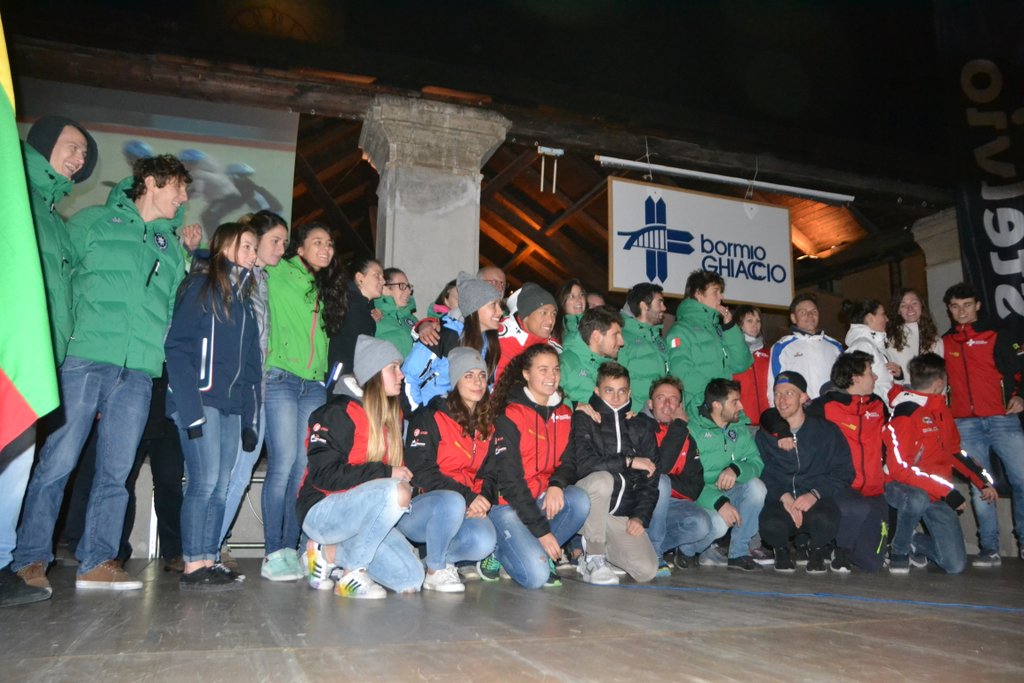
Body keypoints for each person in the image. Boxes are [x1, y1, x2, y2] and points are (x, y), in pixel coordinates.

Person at [14, 154, 191, 592]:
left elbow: (169, 312)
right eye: (178, 187)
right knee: (58, 463)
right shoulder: (92, 222)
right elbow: (56, 278)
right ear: (151, 183)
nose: (184, 198)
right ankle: (30, 559)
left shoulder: (170, 248)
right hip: (85, 359)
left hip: (138, 374)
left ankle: (97, 560)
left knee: (117, 472)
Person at [0, 116, 98, 607]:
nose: (79, 158)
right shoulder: (11, 193)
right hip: (10, 350)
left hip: (41, 359)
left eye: (83, 154)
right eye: (72, 146)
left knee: (16, 469)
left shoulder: (56, 221)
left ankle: (3, 563)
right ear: (42, 143)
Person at [165, 222, 262, 590]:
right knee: (203, 481)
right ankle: (193, 563)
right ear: (225, 247)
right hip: (200, 400)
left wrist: (250, 419)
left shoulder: (245, 304)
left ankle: (208, 558)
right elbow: (177, 347)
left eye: (254, 248)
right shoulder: (200, 287)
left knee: (221, 485)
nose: (253, 255)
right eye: (247, 246)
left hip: (231, 407)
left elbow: (252, 369)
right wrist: (189, 410)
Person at [298, 336, 425, 599]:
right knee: (395, 491)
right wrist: (386, 473)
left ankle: (327, 553)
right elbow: (323, 476)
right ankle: (351, 573)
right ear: (374, 373)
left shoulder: (393, 415)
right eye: (393, 368)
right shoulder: (336, 413)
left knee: (411, 578)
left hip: (361, 517)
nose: (401, 375)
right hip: (322, 511)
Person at [261, 221, 345, 581]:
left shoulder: (325, 286)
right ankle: (272, 552)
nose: (326, 248)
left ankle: (293, 547)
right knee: (282, 465)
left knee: (302, 469)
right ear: (299, 248)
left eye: (329, 243)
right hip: (280, 377)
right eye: (317, 242)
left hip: (312, 384)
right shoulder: (278, 271)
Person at [477, 344, 590, 589]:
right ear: (526, 374)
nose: (552, 376)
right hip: (507, 503)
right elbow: (510, 482)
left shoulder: (564, 412)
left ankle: (534, 549)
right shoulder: (510, 415)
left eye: (556, 369)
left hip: (540, 496)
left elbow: (570, 462)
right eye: (543, 370)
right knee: (537, 577)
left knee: (579, 500)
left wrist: (557, 485)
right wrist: (542, 533)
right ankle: (498, 550)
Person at [884, 353, 998, 574]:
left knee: (954, 565)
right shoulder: (905, 413)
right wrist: (947, 491)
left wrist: (982, 481)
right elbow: (899, 470)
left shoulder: (942, 411)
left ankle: (911, 540)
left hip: (937, 493)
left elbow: (954, 452)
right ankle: (898, 549)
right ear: (938, 384)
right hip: (902, 489)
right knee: (918, 497)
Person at [218, 210, 289, 562]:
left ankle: (212, 546)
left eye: (285, 242)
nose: (282, 249)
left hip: (256, 389)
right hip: (229, 389)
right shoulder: (227, 278)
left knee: (241, 472)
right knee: (224, 473)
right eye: (275, 241)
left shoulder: (262, 280)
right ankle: (205, 551)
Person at [549, 362, 660, 584]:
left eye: (622, 391)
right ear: (597, 391)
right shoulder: (585, 418)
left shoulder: (640, 425)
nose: (616, 398)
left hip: (617, 515)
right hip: (586, 504)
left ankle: (602, 551)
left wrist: (640, 516)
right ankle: (594, 557)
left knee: (646, 571)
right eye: (609, 390)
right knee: (603, 480)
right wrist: (628, 461)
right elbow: (584, 465)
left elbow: (651, 479)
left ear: (629, 392)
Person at [402, 348, 499, 592]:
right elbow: (420, 471)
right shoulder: (429, 416)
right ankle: (436, 571)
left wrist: (482, 498)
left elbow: (490, 472)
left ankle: (434, 560)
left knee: (484, 541)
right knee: (452, 501)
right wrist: (467, 497)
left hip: (464, 505)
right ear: (455, 380)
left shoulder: (487, 424)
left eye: (482, 375)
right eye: (469, 375)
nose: (478, 382)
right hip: (421, 509)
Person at [941, 282, 1024, 566]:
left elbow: (1021, 368)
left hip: (1003, 419)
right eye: (955, 306)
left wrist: (1021, 396)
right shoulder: (944, 342)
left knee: (1022, 480)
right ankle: (989, 548)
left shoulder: (996, 334)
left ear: (977, 305)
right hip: (965, 424)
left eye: (967, 305)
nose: (961, 311)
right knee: (981, 485)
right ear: (949, 309)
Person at [757, 371, 855, 574]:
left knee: (826, 520)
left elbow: (844, 471)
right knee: (770, 525)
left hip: (815, 498)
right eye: (777, 394)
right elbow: (762, 470)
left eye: (789, 393)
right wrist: (782, 495)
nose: (782, 400)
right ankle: (781, 550)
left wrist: (814, 494)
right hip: (782, 499)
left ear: (803, 397)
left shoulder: (826, 431)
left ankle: (816, 549)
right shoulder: (765, 434)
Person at [809, 351, 889, 572]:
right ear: (855, 378)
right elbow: (790, 419)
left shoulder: (878, 405)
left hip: (874, 489)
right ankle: (838, 548)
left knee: (872, 563)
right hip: (841, 487)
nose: (875, 377)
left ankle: (841, 542)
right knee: (855, 508)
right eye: (870, 372)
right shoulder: (826, 405)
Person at [686, 379, 766, 570]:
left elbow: (756, 462)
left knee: (757, 487)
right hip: (699, 495)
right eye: (735, 402)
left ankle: (738, 553)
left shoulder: (738, 428)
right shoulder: (692, 431)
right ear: (716, 405)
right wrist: (718, 502)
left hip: (728, 491)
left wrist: (736, 469)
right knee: (719, 524)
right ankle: (687, 551)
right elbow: (688, 480)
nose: (741, 406)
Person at [402, 272, 502, 410]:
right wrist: (418, 414)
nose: (500, 312)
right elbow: (409, 377)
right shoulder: (443, 335)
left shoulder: (490, 342)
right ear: (475, 308)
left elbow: (487, 387)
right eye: (494, 305)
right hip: (431, 416)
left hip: (462, 418)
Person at [642, 377, 713, 569]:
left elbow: (694, 487)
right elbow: (660, 470)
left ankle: (642, 552)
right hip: (641, 504)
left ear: (680, 406)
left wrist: (668, 485)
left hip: (671, 504)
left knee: (702, 524)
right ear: (650, 404)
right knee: (661, 483)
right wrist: (679, 426)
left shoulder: (686, 437)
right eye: (660, 398)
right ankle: (654, 554)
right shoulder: (639, 427)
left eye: (673, 399)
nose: (667, 404)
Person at [667, 270, 752, 417]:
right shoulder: (681, 330)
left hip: (725, 409)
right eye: (716, 292)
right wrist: (714, 400)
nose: (721, 297)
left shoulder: (718, 330)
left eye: (721, 292)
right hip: (701, 411)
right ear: (699, 294)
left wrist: (730, 326)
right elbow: (681, 373)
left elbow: (741, 364)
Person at [768, 293, 844, 403]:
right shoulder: (782, 347)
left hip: (832, 409)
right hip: (800, 411)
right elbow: (773, 385)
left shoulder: (835, 346)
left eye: (814, 311)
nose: (810, 315)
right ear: (793, 318)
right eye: (803, 312)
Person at [328, 256, 385, 381]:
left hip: (353, 377)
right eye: (377, 275)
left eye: (383, 277)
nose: (383, 281)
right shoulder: (348, 304)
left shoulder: (365, 308)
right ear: (360, 278)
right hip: (341, 378)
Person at [618, 283, 670, 413]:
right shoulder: (622, 338)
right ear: (644, 306)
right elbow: (615, 381)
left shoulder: (658, 340)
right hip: (635, 416)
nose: (664, 307)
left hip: (659, 415)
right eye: (659, 302)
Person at [558, 305, 625, 406]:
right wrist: (574, 406)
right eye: (615, 335)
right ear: (596, 336)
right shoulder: (566, 362)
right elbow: (546, 396)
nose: (622, 342)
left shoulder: (612, 367)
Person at [495, 282, 561, 381]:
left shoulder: (554, 349)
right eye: (544, 313)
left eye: (553, 314)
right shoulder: (497, 337)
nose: (551, 321)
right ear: (525, 316)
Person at [842, 299, 900, 405]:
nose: (887, 319)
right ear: (870, 318)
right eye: (883, 314)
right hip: (876, 409)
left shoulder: (875, 345)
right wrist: (889, 397)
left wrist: (898, 376)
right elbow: (860, 387)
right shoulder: (862, 346)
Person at [885, 288, 943, 382]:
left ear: (921, 305)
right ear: (898, 310)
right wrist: (900, 376)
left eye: (914, 303)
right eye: (903, 305)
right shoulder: (891, 340)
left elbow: (940, 374)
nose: (910, 308)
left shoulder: (934, 339)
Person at [732, 305, 771, 429]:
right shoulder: (731, 352)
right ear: (739, 324)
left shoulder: (769, 353)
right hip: (741, 420)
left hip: (767, 420)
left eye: (758, 321)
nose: (755, 325)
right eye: (749, 321)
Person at [375, 267, 419, 358]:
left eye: (408, 286)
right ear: (385, 289)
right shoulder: (374, 317)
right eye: (402, 286)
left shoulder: (413, 319)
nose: (409, 291)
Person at [554, 278, 587, 342]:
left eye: (581, 295)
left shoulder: (593, 325)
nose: (579, 299)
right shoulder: (554, 330)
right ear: (562, 302)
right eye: (572, 296)